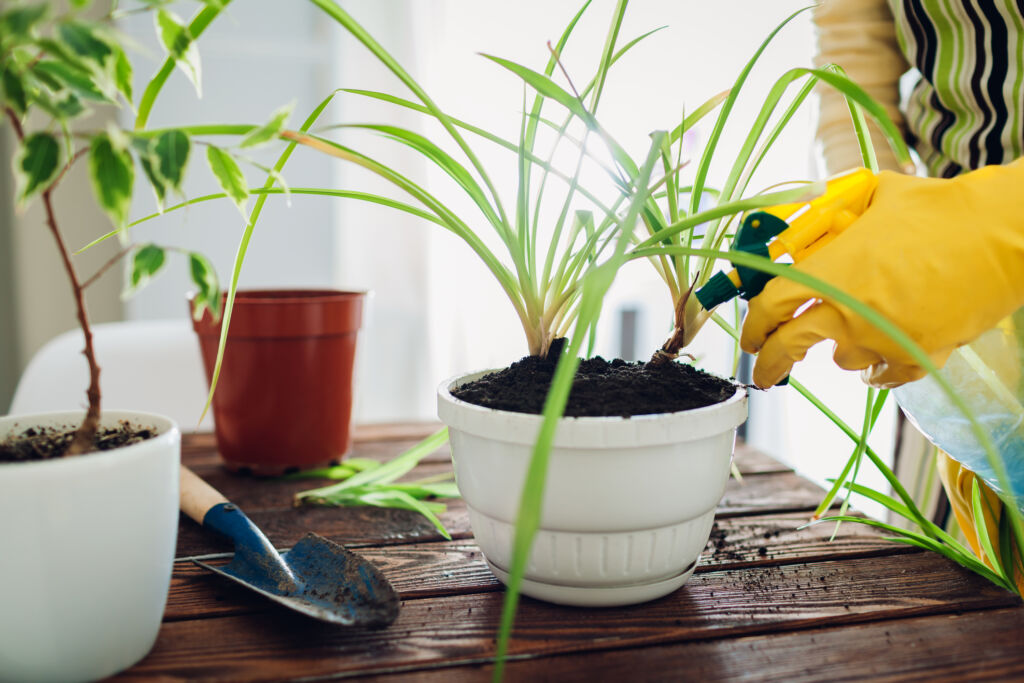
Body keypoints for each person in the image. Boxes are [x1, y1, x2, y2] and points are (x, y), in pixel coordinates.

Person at [740, 0, 1024, 590]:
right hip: (944, 308)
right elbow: (853, 51)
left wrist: (1001, 223)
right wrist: (869, 203)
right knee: (948, 611)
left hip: (965, 249)